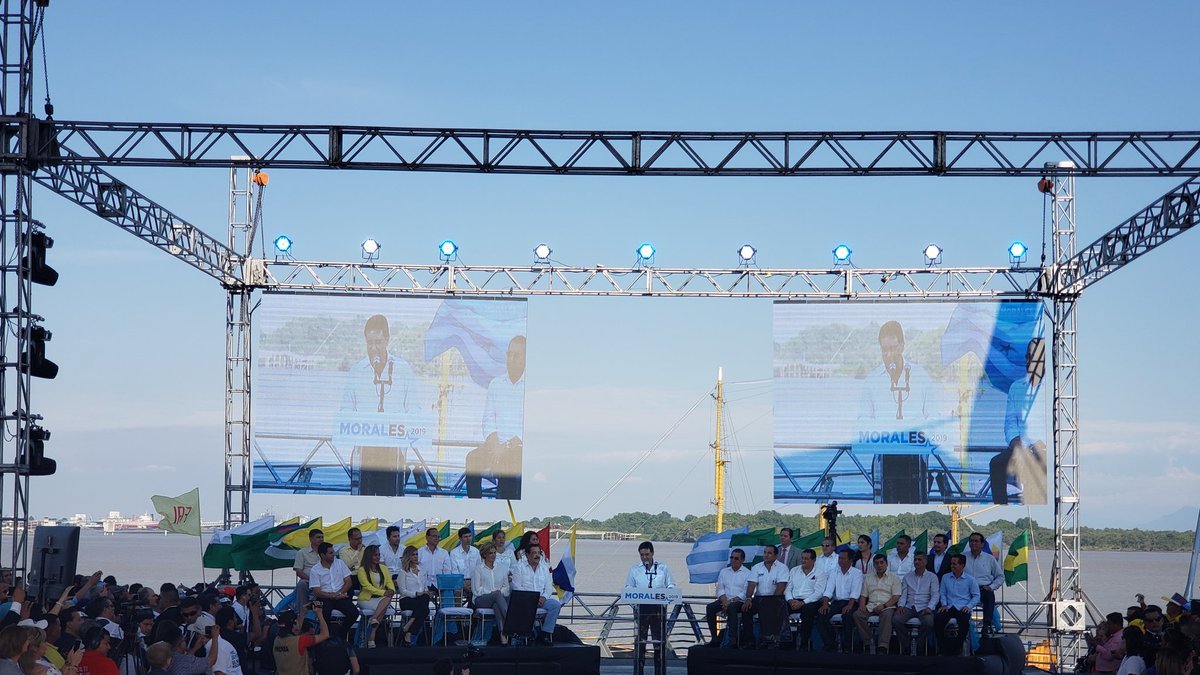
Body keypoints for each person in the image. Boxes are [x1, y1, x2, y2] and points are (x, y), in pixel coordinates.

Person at [341, 314, 428, 496]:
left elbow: (415, 410)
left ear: (387, 340)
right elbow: (345, 411)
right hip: (364, 456)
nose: (373, 348)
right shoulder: (356, 372)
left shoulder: (402, 370)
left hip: (394, 456)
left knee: (390, 503)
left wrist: (399, 426)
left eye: (378, 342)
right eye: (369, 343)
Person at [465, 335, 526, 500]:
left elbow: (525, 428)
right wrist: (494, 444)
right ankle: (475, 507)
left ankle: (505, 507)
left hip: (516, 448)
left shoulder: (529, 387)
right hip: (496, 445)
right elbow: (488, 419)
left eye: (516, 355)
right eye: (509, 354)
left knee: (510, 463)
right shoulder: (496, 384)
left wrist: (505, 446)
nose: (511, 359)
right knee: (472, 458)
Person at [990, 337, 1048, 505]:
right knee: (996, 463)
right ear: (1027, 359)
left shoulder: (1052, 389)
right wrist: (1015, 442)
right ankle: (1000, 506)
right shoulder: (1017, 387)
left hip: (1043, 448)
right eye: (1032, 357)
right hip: (1021, 447)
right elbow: (1010, 422)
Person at [625, 542, 675, 669]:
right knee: (640, 642)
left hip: (658, 609)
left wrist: (666, 598)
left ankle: (659, 670)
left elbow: (671, 585)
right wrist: (635, 604)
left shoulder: (663, 568)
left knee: (658, 642)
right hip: (641, 609)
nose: (644, 557)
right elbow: (629, 588)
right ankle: (639, 670)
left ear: (652, 553)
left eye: (647, 554)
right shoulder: (634, 569)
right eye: (642, 555)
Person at [509, 543, 560, 646]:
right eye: (534, 553)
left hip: (541, 599)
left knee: (555, 605)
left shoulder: (544, 568)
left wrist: (544, 597)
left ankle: (545, 634)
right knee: (526, 606)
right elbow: (516, 586)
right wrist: (532, 599)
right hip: (525, 600)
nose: (537, 555)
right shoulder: (519, 567)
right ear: (527, 555)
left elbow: (549, 587)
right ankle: (530, 634)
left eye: (538, 553)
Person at [308, 543, 360, 641]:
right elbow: (317, 591)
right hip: (325, 597)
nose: (334, 555)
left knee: (354, 613)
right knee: (325, 614)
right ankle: (327, 637)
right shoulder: (315, 570)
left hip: (340, 596)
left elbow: (348, 582)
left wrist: (339, 593)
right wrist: (331, 595)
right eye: (331, 553)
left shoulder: (340, 563)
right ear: (323, 555)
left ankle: (341, 633)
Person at [892, 551, 939, 655]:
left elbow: (935, 595)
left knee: (928, 622)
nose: (917, 562)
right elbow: (904, 594)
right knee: (896, 620)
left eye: (919, 559)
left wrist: (930, 607)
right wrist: (900, 605)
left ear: (925, 562)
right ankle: (906, 645)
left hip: (924, 607)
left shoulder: (932, 577)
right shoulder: (907, 577)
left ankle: (920, 644)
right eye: (915, 560)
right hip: (909, 606)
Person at [853, 554, 901, 655]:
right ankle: (868, 641)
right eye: (876, 563)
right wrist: (861, 605)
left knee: (887, 616)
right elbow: (863, 595)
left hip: (887, 606)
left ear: (886, 564)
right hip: (871, 605)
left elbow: (896, 597)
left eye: (881, 563)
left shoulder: (894, 578)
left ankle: (882, 646)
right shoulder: (869, 577)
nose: (879, 565)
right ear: (874, 565)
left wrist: (884, 606)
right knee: (857, 615)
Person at [818, 549, 863, 653]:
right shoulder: (834, 572)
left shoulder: (857, 573)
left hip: (851, 602)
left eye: (843, 558)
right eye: (839, 558)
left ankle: (847, 646)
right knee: (822, 614)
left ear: (850, 560)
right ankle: (830, 643)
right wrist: (825, 604)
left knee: (847, 616)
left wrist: (849, 606)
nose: (840, 561)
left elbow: (855, 592)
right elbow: (829, 590)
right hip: (837, 602)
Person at [705, 548, 751, 648]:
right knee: (710, 607)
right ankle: (715, 638)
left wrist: (731, 602)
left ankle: (732, 639)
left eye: (736, 558)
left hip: (738, 601)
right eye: (731, 557)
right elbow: (720, 589)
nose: (733, 560)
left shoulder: (747, 573)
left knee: (732, 608)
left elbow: (745, 592)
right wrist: (725, 601)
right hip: (724, 599)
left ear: (742, 560)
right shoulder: (724, 572)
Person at [935, 554, 979, 656]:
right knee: (938, 620)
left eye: (954, 564)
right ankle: (943, 646)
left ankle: (957, 647)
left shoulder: (970, 579)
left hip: (963, 607)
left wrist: (968, 606)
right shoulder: (946, 577)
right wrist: (944, 604)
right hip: (949, 606)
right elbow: (943, 593)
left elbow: (976, 596)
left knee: (964, 622)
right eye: (951, 564)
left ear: (962, 565)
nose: (952, 566)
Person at [745, 546, 789, 647]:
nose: (766, 555)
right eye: (764, 552)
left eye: (769, 553)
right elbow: (751, 584)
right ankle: (749, 640)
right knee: (746, 609)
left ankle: (771, 640)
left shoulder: (782, 568)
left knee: (770, 608)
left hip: (776, 599)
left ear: (775, 555)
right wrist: (748, 598)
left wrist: (771, 602)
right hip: (759, 598)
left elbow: (780, 587)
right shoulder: (756, 567)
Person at [784, 549, 826, 652]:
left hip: (811, 601)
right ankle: (786, 641)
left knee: (807, 611)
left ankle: (804, 642)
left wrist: (803, 603)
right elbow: (788, 588)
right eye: (802, 558)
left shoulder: (820, 573)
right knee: (781, 608)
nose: (803, 561)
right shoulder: (794, 570)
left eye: (806, 559)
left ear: (814, 560)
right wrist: (790, 600)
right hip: (793, 600)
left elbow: (818, 593)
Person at [963, 532, 1003, 634]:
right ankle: (964, 626)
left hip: (983, 589)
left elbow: (1000, 576)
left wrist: (991, 586)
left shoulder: (989, 559)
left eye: (976, 541)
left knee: (989, 595)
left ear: (982, 544)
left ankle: (986, 626)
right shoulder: (963, 558)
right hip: (965, 590)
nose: (973, 543)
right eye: (971, 541)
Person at [355, 545, 395, 648]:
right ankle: (372, 636)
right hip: (367, 599)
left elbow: (390, 582)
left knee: (387, 599)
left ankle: (373, 621)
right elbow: (366, 586)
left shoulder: (384, 568)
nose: (377, 557)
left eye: (378, 555)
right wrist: (383, 593)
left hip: (382, 599)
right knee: (384, 607)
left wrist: (391, 590)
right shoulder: (362, 570)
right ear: (369, 556)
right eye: (375, 555)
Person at [471, 543, 510, 646]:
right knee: (496, 595)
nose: (493, 555)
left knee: (496, 605)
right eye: (490, 553)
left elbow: (506, 589)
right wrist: (493, 592)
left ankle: (503, 635)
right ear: (484, 555)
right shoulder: (478, 569)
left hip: (497, 599)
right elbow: (476, 590)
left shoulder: (502, 569)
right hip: (481, 599)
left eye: (494, 553)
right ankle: (510, 622)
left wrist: (497, 593)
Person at [272, 609, 329, 675]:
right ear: (293, 624)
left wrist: (303, 613)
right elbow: (325, 634)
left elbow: (296, 632)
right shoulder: (301, 641)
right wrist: (319, 613)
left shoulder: (276, 640)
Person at [395, 547, 432, 647]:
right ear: (408, 556)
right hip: (407, 600)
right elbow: (402, 591)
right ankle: (410, 627)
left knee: (425, 598)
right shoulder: (403, 572)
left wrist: (426, 592)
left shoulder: (422, 570)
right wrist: (416, 594)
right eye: (413, 554)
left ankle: (409, 630)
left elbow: (424, 587)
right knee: (425, 609)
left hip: (420, 599)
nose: (415, 556)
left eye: (416, 554)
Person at [292, 530, 324, 610]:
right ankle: (301, 611)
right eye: (318, 537)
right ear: (311, 539)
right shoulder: (302, 552)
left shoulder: (326, 552)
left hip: (324, 580)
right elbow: (298, 572)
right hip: (308, 581)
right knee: (301, 584)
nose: (321, 539)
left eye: (322, 537)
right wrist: (313, 581)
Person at [448, 528, 481, 596]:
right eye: (465, 537)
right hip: (459, 582)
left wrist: (474, 583)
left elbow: (479, 568)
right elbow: (454, 571)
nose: (468, 539)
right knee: (457, 592)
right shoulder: (454, 553)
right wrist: (463, 584)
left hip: (474, 581)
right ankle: (457, 607)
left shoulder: (476, 551)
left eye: (469, 536)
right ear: (460, 538)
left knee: (481, 591)